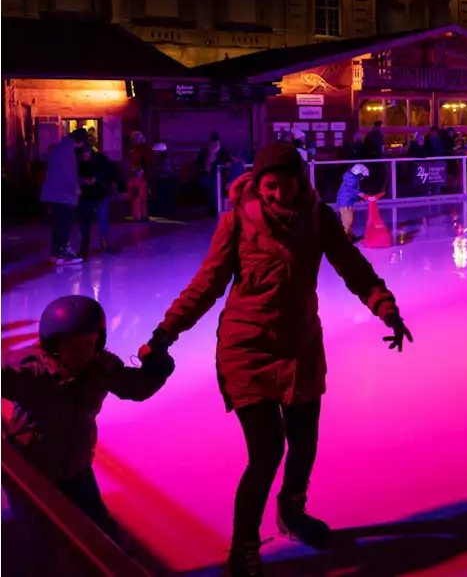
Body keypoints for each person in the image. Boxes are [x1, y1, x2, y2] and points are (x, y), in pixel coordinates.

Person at [139, 142, 412, 576]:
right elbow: (206, 285)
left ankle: (292, 511)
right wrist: (164, 333)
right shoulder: (236, 224)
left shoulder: (319, 219)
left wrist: (385, 306)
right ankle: (243, 544)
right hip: (246, 349)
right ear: (256, 183)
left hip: (301, 346)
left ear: (299, 182)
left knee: (304, 443)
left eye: (283, 187)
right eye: (267, 188)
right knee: (266, 451)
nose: (274, 197)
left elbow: (354, 268)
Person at [1, 296, 173, 570]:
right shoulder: (34, 371)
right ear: (54, 347)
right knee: (40, 541)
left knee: (99, 529)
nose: (82, 354)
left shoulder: (100, 367)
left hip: (77, 466)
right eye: (72, 348)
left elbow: (134, 388)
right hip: (34, 472)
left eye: (88, 345)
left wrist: (157, 371)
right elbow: (6, 374)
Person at [41, 127, 87, 264]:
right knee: (64, 223)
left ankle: (55, 253)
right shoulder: (68, 152)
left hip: (54, 193)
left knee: (57, 223)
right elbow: (68, 173)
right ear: (81, 142)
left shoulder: (58, 148)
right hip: (64, 195)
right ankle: (63, 252)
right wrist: (76, 188)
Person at [76, 143, 120, 257]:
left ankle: (103, 242)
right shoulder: (79, 161)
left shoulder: (101, 160)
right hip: (87, 195)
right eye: (83, 155)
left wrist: (97, 178)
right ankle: (85, 247)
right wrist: (84, 181)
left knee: (102, 219)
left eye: (86, 155)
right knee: (86, 221)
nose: (85, 157)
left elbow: (111, 172)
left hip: (101, 193)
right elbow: (75, 176)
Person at [336, 163, 370, 239]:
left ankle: (351, 236)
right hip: (345, 203)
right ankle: (344, 239)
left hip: (348, 202)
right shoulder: (352, 180)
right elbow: (351, 191)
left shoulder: (353, 180)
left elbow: (351, 192)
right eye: (362, 176)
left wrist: (358, 198)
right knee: (347, 221)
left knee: (350, 221)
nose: (363, 178)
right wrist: (361, 195)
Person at [126, 131, 150, 222]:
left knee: (138, 197)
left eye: (135, 139)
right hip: (135, 175)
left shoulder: (142, 149)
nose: (133, 140)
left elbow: (146, 163)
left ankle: (139, 217)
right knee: (138, 197)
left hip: (139, 175)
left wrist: (144, 172)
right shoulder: (135, 149)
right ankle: (140, 216)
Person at [150, 142, 176, 218]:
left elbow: (158, 169)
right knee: (167, 196)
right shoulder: (168, 158)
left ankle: (162, 211)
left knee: (161, 196)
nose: (154, 152)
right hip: (167, 179)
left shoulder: (159, 160)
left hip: (161, 180)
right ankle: (167, 211)